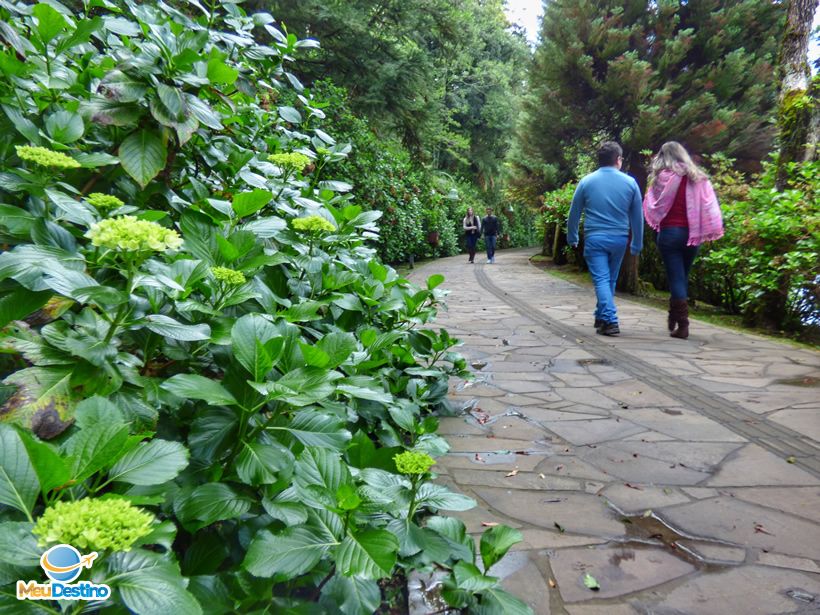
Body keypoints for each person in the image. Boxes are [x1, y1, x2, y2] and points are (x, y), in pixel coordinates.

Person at [643, 141, 724, 339]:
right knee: (681, 277)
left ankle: (683, 324)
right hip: (693, 235)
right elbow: (710, 206)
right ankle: (674, 316)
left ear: (663, 157)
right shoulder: (699, 178)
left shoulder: (661, 178)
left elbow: (651, 203)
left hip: (670, 234)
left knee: (676, 277)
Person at [567, 142, 643, 336]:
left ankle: (610, 320)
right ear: (618, 159)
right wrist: (637, 242)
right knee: (609, 279)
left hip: (595, 238)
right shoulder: (630, 183)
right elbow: (637, 217)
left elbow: (574, 212)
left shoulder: (586, 181)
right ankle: (601, 316)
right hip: (619, 239)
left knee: (602, 279)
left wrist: (572, 236)